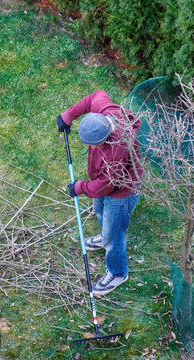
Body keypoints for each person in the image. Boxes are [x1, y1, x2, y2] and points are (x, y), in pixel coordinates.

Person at [57, 90, 142, 296]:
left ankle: (118, 273)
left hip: (121, 191)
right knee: (100, 211)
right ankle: (105, 237)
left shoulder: (116, 149)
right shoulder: (103, 113)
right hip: (104, 182)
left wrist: (79, 187)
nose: (88, 147)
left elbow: (105, 187)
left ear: (105, 139)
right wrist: (68, 115)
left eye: (91, 145)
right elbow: (94, 96)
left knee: (115, 236)